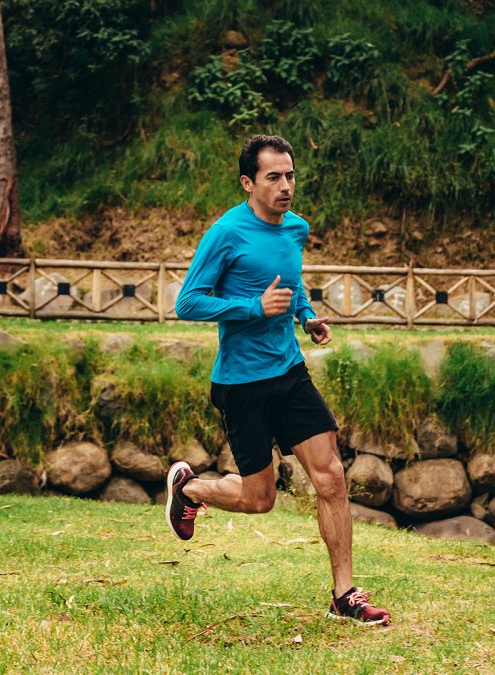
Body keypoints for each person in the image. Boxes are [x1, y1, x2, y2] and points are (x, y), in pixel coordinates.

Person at [167, 134, 391, 626]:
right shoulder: (226, 233)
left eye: (290, 175)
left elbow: (290, 282)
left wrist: (306, 315)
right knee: (259, 499)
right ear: (249, 182)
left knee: (331, 476)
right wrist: (251, 307)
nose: (286, 186)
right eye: (274, 177)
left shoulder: (295, 228)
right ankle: (190, 490)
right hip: (241, 383)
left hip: (289, 372)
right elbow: (188, 301)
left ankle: (344, 595)